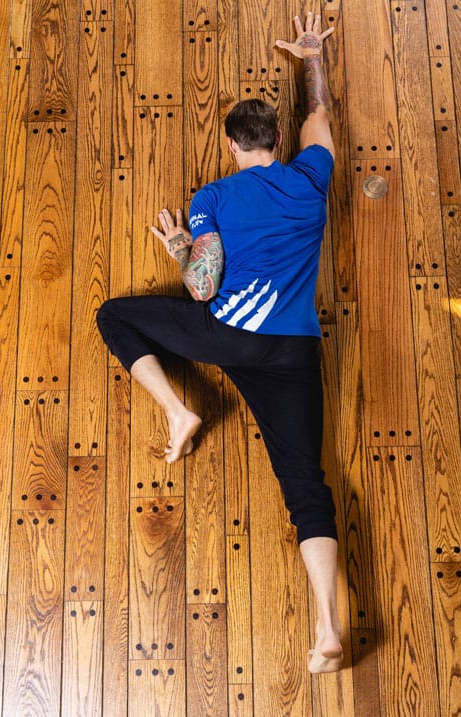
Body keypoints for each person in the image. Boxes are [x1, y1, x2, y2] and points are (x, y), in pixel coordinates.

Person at [97, 10, 342, 673]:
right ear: (278, 141)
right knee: (306, 487)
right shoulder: (312, 175)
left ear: (233, 145)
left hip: (227, 336)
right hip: (294, 351)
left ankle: (179, 410)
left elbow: (202, 287)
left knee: (113, 317)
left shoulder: (214, 196)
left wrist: (180, 242)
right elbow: (319, 114)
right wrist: (312, 55)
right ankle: (326, 626)